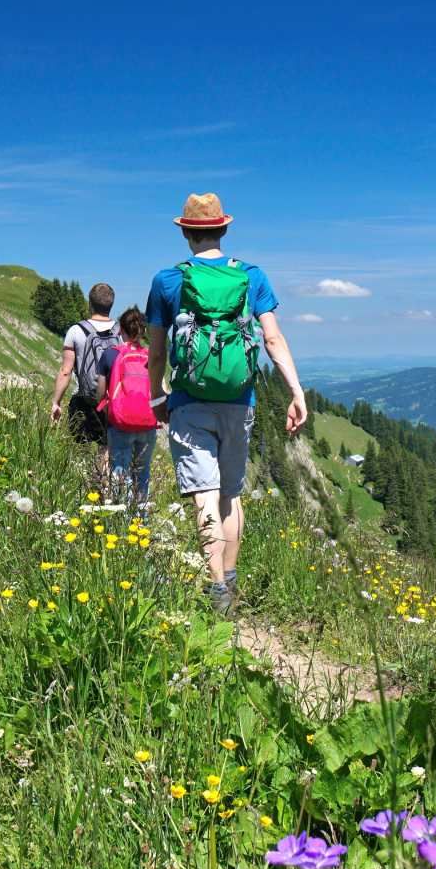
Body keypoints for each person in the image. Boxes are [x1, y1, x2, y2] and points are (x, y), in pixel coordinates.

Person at [146, 193, 306, 613]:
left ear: (185, 232)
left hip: (188, 401)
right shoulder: (252, 276)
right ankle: (230, 582)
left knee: (204, 496)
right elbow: (272, 339)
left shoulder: (167, 281)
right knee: (230, 496)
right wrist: (296, 392)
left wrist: (157, 394)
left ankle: (216, 589)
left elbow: (157, 352)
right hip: (240, 401)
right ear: (224, 228)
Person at [49, 282, 119, 475]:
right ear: (111, 305)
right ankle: (104, 489)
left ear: (90, 304)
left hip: (83, 399)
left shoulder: (76, 331)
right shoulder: (121, 332)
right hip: (111, 402)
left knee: (81, 449)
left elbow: (66, 370)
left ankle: (84, 487)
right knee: (105, 448)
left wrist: (56, 402)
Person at [97, 306, 158, 508]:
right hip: (147, 423)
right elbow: (161, 389)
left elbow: (101, 391)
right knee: (143, 471)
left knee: (119, 470)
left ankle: (122, 523)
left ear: (120, 329)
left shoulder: (110, 355)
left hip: (120, 423)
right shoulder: (151, 356)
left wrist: (108, 409)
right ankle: (141, 521)